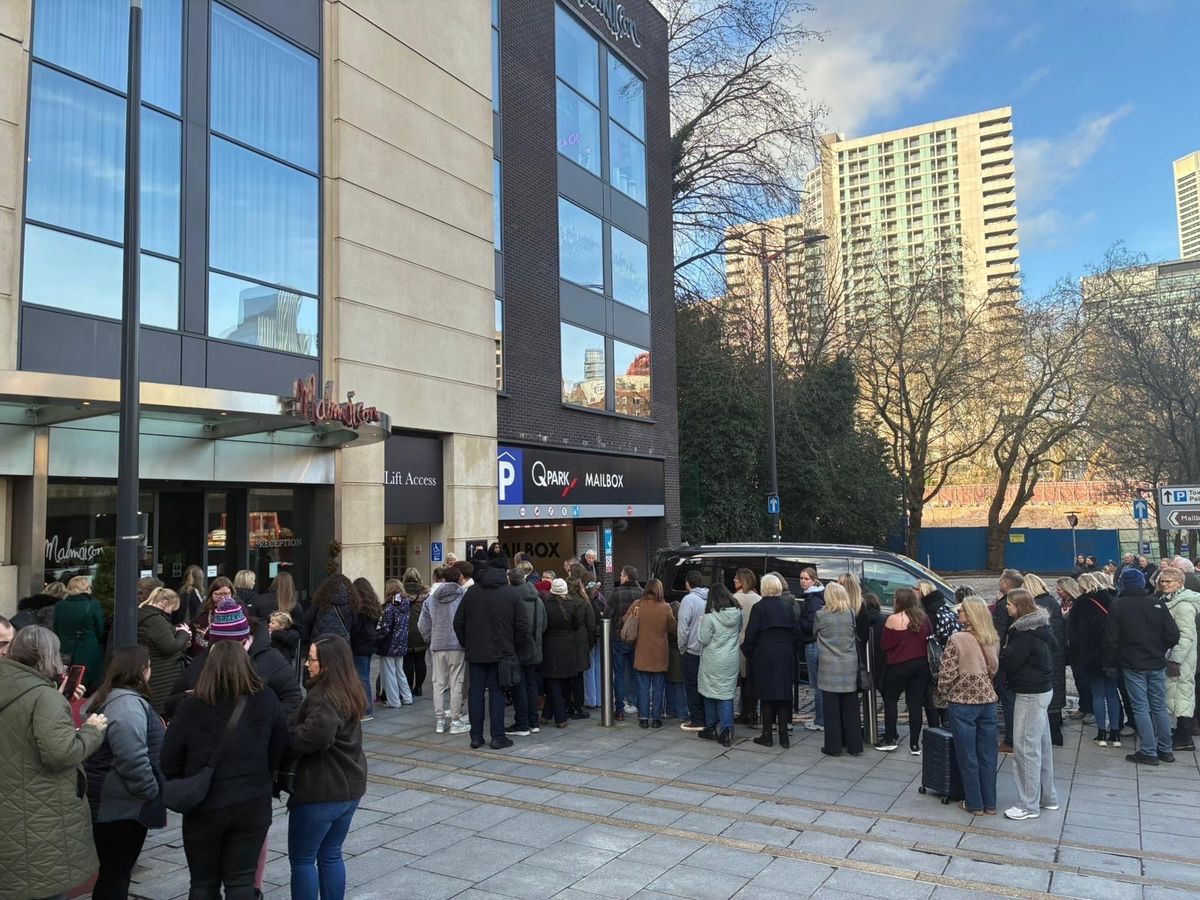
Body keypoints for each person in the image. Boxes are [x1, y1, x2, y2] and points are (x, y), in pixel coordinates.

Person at [161, 640, 287, 899]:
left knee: (203, 882)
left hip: (205, 805)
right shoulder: (266, 699)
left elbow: (168, 759)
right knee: (241, 881)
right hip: (252, 802)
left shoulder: (192, 706)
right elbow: (278, 750)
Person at [0, 626, 108, 900]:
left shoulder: (29, 690)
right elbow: (60, 753)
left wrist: (56, 700)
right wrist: (92, 731)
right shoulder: (44, 697)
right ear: (47, 655)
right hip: (39, 817)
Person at [288, 636, 368, 900]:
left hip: (322, 789)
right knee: (331, 854)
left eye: (312, 659)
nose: (307, 664)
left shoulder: (324, 695)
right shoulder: (349, 687)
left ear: (328, 664)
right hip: (349, 787)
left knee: (302, 859)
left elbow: (317, 737)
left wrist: (289, 734)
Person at [84, 645, 166, 900]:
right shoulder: (126, 705)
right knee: (116, 875)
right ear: (141, 670)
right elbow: (132, 757)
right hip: (120, 806)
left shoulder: (104, 697)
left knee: (112, 873)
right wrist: (150, 791)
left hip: (106, 801)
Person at [168, 597, 302, 721]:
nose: (228, 650)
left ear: (245, 638)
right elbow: (172, 702)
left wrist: (262, 724)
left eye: (234, 644)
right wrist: (191, 699)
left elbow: (293, 700)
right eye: (221, 644)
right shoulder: (202, 661)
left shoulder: (271, 659)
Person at [1105, 568, 1180, 765]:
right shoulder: (1157, 603)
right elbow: (1173, 635)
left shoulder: (1118, 605)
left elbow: (1111, 639)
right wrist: (1158, 647)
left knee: (1140, 707)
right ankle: (1165, 749)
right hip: (1156, 662)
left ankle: (1148, 750)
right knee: (1159, 706)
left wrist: (1111, 663)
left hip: (1132, 663)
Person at [453, 554, 528, 749]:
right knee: (497, 693)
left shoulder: (472, 593)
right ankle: (497, 736)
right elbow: (522, 626)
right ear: (504, 574)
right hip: (502, 652)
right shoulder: (511, 594)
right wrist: (513, 647)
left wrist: (467, 643)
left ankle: (476, 737)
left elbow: (458, 622)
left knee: (475, 693)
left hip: (476, 652)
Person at [998, 589, 1058, 820]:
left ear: (1020, 607)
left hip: (1029, 692)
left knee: (1025, 749)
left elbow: (1011, 662)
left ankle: (1028, 804)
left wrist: (1002, 654)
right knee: (1041, 746)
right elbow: (1054, 649)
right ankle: (1047, 797)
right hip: (1042, 689)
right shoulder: (1042, 626)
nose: (1007, 607)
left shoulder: (1023, 632)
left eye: (1010, 604)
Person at [938, 595, 1000, 816]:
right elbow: (994, 667)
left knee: (968, 755)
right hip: (988, 700)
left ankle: (974, 803)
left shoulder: (957, 639)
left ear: (971, 614)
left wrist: (944, 692)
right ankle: (990, 803)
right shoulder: (991, 637)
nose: (958, 613)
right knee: (988, 754)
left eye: (962, 610)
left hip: (962, 702)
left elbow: (947, 673)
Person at [743, 573, 801, 747]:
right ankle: (784, 736)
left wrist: (748, 652)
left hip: (764, 654)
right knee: (783, 695)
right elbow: (797, 633)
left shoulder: (759, 608)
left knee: (767, 695)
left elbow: (751, 633)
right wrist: (792, 651)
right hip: (784, 653)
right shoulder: (787, 607)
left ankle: (767, 734)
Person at [879, 587, 932, 754]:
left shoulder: (893, 619)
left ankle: (890, 738)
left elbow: (885, 645)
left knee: (891, 700)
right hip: (921, 665)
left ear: (900, 601)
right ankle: (915, 745)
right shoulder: (924, 618)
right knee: (915, 704)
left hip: (899, 665)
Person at [814, 582, 864, 757]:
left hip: (829, 666)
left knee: (831, 710)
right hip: (849, 664)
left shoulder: (820, 615)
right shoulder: (850, 613)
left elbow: (815, 633)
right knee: (851, 708)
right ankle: (855, 745)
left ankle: (833, 746)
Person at [419, 566, 469, 734]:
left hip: (438, 644)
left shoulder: (431, 599)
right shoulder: (463, 596)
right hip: (457, 645)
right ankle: (455, 720)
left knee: (438, 683)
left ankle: (440, 721)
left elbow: (422, 624)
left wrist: (430, 638)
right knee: (457, 683)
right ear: (460, 578)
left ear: (444, 579)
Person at [1074, 573, 1123, 745]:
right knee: (1112, 693)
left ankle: (1101, 732)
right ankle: (1115, 733)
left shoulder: (1081, 603)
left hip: (1092, 654)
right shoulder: (1112, 599)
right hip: (1113, 654)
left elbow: (1076, 634)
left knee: (1097, 693)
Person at [1155, 567, 1199, 752]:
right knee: (1176, 693)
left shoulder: (1183, 605)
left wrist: (1175, 660)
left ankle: (1185, 737)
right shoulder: (1169, 600)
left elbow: (1186, 636)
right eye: (1163, 581)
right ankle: (1181, 732)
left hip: (1181, 658)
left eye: (1169, 581)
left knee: (1182, 693)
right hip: (1172, 655)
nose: (1165, 584)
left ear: (1180, 583)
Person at [1023, 573, 1066, 746]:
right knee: (1056, 687)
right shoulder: (1052, 601)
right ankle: (1057, 725)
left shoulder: (1037, 606)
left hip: (1045, 654)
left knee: (1049, 689)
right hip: (1057, 652)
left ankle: (1054, 734)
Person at [697, 582, 742, 747]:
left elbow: (703, 639)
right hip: (730, 659)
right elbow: (738, 631)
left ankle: (711, 727)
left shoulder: (709, 617)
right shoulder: (738, 613)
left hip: (712, 659)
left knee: (709, 692)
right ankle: (726, 731)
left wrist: (700, 623)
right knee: (726, 694)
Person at [137, 586, 192, 714]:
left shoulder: (143, 615)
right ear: (164, 602)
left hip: (153, 672)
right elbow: (169, 647)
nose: (171, 612)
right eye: (171, 608)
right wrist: (183, 633)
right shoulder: (156, 620)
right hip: (163, 679)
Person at [631, 578, 676, 728]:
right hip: (659, 652)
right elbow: (673, 627)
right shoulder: (665, 607)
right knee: (658, 687)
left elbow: (627, 619)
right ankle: (656, 718)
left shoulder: (639, 605)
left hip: (642, 651)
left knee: (643, 687)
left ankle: (643, 718)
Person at [508, 564, 546, 737]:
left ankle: (522, 724)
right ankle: (534, 722)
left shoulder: (512, 600)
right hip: (535, 649)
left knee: (519, 686)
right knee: (532, 685)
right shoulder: (538, 599)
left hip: (518, 649)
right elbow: (544, 625)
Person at [541, 578, 584, 728]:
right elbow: (577, 625)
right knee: (563, 681)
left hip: (550, 646)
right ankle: (549, 715)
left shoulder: (545, 605)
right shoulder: (572, 605)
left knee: (553, 682)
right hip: (567, 645)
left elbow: (543, 625)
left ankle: (559, 717)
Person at [53, 574, 106, 691]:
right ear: (86, 588)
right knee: (87, 687)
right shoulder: (93, 605)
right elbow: (99, 631)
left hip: (65, 652)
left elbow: (55, 630)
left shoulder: (59, 606)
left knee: (66, 685)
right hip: (89, 652)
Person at [919, 580, 961, 729]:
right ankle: (947, 731)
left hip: (934, 664)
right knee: (944, 701)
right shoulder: (946, 610)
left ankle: (936, 735)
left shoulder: (928, 614)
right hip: (948, 662)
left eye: (916, 589)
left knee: (932, 701)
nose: (913, 591)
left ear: (923, 592)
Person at [992, 569, 1024, 752]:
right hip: (1017, 656)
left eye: (1000, 580)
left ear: (1006, 584)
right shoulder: (1021, 601)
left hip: (1005, 657)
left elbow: (999, 633)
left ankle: (1010, 740)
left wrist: (995, 658)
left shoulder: (1005, 605)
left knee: (1007, 698)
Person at [607, 565, 642, 721]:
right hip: (636, 639)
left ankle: (619, 709)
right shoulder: (641, 593)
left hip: (618, 638)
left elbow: (608, 614)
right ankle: (638, 706)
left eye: (621, 575)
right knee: (636, 673)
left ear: (626, 577)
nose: (619, 578)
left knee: (619, 675)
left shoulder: (616, 593)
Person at [676, 570, 709, 732]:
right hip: (708, 650)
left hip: (692, 650)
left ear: (688, 583)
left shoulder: (688, 600)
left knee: (691, 685)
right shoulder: (709, 597)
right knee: (706, 685)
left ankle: (697, 719)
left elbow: (683, 628)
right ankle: (709, 717)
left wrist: (682, 648)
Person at [1057, 576, 1092, 724]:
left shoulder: (1079, 603)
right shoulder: (1065, 602)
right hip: (1070, 646)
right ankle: (1083, 707)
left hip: (1081, 647)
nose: (1057, 592)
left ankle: (1090, 709)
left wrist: (1066, 617)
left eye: (1060, 589)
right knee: (1078, 678)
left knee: (1085, 679)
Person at [375, 579, 413, 709]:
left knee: (389, 673)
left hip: (389, 644)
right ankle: (407, 697)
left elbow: (385, 628)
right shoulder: (406, 603)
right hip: (402, 642)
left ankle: (394, 701)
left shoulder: (390, 607)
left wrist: (377, 638)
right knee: (400, 671)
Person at [796, 568, 825, 732]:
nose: (802, 581)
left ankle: (820, 720)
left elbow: (813, 625)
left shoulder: (813, 600)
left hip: (813, 644)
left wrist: (800, 623)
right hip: (813, 643)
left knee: (817, 685)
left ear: (814, 580)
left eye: (806, 579)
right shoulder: (812, 597)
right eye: (801, 578)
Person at [733, 569, 763, 726]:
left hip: (739, 643)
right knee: (751, 680)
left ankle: (746, 712)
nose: (734, 580)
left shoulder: (736, 598)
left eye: (736, 579)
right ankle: (751, 711)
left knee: (744, 681)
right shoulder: (759, 599)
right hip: (754, 644)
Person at [567, 578, 597, 719]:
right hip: (581, 640)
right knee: (579, 677)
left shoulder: (564, 602)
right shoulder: (585, 602)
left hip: (566, 641)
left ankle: (568, 705)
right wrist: (590, 643)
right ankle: (578, 707)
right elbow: (591, 625)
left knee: (567, 677)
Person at [190, 577, 238, 657]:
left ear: (232, 594)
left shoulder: (238, 609)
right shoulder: (203, 609)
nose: (222, 597)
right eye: (218, 594)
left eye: (226, 594)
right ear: (211, 594)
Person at [402, 568, 430, 697]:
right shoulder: (426, 594)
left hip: (405, 632)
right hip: (420, 632)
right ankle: (418, 687)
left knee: (407, 662)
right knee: (420, 660)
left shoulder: (400, 593)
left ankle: (408, 686)